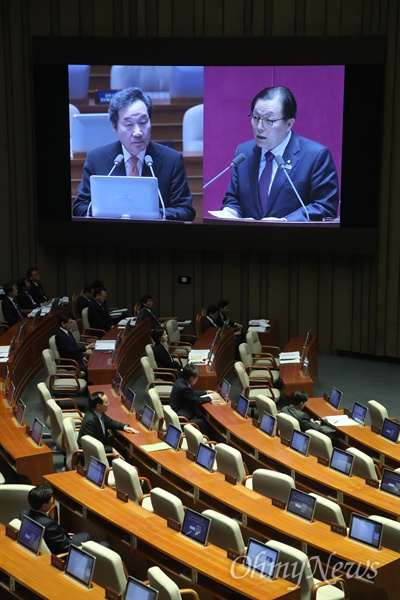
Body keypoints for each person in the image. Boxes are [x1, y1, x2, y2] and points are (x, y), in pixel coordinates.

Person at [215, 86, 339, 222]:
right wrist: (231, 211)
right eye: (256, 117)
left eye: (269, 120)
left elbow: (325, 207)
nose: (260, 127)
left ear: (289, 124)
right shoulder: (243, 152)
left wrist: (285, 222)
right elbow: (234, 198)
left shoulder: (315, 156)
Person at [72, 86, 195, 221]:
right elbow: (80, 207)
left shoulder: (172, 160)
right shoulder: (96, 159)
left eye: (143, 122)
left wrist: (157, 214)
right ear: (114, 127)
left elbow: (186, 210)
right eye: (129, 124)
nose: (138, 132)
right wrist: (109, 211)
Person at [22, 483, 92, 554]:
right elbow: (66, 546)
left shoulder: (24, 514)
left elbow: (51, 534)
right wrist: (83, 546)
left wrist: (61, 534)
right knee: (87, 537)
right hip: (59, 551)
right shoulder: (49, 525)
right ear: (44, 506)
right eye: (51, 499)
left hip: (53, 539)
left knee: (86, 535)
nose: (52, 500)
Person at [169, 363, 220, 436]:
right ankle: (205, 440)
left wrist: (205, 392)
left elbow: (191, 393)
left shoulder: (181, 380)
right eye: (197, 377)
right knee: (203, 422)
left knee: (201, 414)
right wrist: (211, 397)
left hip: (181, 409)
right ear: (191, 378)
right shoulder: (183, 387)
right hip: (181, 416)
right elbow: (196, 400)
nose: (197, 379)